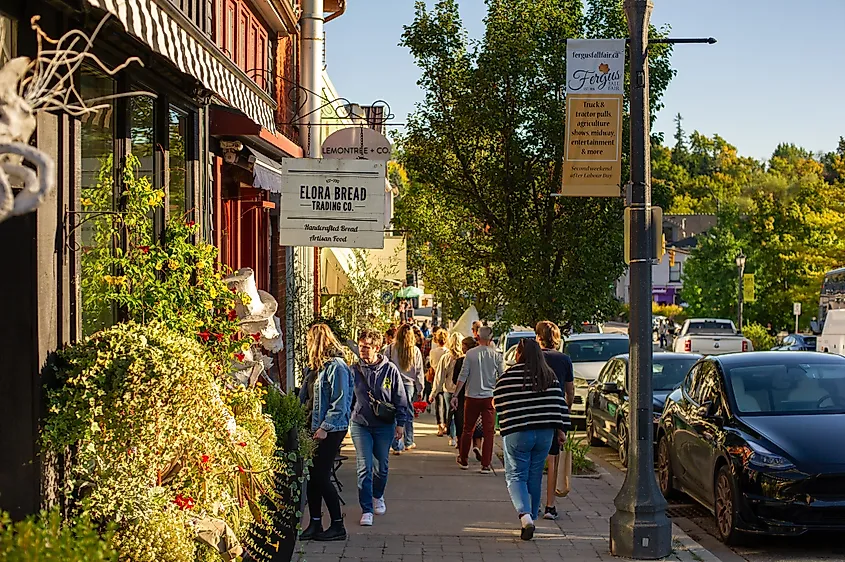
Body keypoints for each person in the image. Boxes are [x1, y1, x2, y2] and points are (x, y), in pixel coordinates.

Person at [494, 339, 570, 540]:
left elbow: (498, 401)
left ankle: (525, 516)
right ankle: (532, 516)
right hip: (545, 433)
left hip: (518, 431)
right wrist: (561, 430)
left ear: (519, 354)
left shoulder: (508, 377)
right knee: (535, 474)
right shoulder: (548, 377)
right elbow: (559, 403)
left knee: (516, 475)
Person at [349, 329, 411, 527]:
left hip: (384, 425)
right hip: (361, 424)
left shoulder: (389, 369)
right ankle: (366, 509)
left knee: (381, 466)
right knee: (364, 467)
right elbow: (348, 397)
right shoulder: (354, 370)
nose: (363, 350)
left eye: (367, 347)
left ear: (377, 347)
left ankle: (378, 496)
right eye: (361, 346)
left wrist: (401, 423)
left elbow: (400, 398)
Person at [300, 324, 354, 541]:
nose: (307, 346)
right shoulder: (315, 368)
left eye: (309, 342)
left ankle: (338, 525)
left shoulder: (336, 367)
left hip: (331, 429)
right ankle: (315, 523)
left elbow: (340, 403)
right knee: (313, 478)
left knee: (322, 477)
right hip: (313, 427)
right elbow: (307, 398)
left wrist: (324, 428)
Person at [535, 321, 575, 520]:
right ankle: (550, 505)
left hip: (533, 413)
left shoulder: (533, 358)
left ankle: (533, 504)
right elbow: (570, 391)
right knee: (552, 460)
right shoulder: (564, 360)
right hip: (554, 414)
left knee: (532, 460)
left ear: (538, 337)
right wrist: (565, 410)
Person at [452, 326, 504, 473]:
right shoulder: (496, 355)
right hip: (489, 397)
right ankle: (486, 464)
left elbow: (463, 376)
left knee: (468, 429)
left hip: (472, 396)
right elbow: (502, 376)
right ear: (491, 339)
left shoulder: (470, 354)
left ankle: (463, 459)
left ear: (478, 338)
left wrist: (455, 395)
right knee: (489, 432)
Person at [385, 323, 424, 453]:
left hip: (393, 384)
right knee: (408, 413)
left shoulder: (390, 349)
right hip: (408, 385)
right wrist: (420, 388)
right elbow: (418, 371)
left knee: (394, 413)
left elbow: (384, 367)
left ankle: (396, 444)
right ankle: (408, 441)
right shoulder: (415, 351)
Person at [430, 331, 463, 443]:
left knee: (451, 413)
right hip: (462, 390)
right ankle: (460, 437)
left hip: (448, 389)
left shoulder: (446, 358)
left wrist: (434, 393)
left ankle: (452, 437)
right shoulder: (465, 357)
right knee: (461, 414)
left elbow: (440, 377)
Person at [451, 336, 476, 449]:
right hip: (474, 391)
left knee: (460, 418)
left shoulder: (460, 361)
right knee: (475, 419)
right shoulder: (477, 360)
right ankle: (476, 443)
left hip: (462, 393)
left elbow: (455, 379)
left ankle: (461, 442)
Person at [427, 328, 448, 434]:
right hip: (447, 379)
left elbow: (431, 363)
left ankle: (440, 425)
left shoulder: (433, 352)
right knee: (446, 403)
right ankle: (446, 425)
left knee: (438, 403)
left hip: (436, 377)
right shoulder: (448, 352)